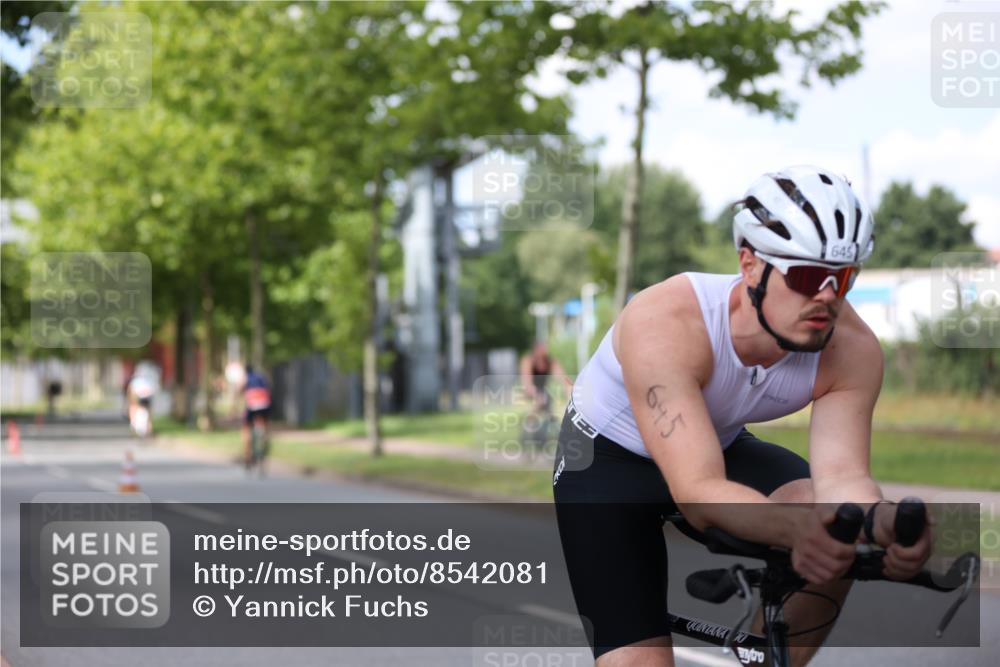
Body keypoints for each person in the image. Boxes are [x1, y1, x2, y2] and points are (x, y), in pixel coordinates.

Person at [551, 166, 933, 666]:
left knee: (833, 526)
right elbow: (698, 493)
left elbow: (843, 478)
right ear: (750, 265)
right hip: (606, 463)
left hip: (714, 446)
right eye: (805, 276)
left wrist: (881, 526)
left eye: (842, 278)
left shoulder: (852, 348)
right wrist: (796, 530)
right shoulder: (666, 321)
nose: (826, 296)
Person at [242, 365, 272, 469]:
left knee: (246, 428)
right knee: (265, 425)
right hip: (265, 402)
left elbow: (241, 390)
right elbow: (268, 389)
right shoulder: (261, 377)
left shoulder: (247, 378)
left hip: (253, 403)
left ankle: (247, 457)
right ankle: (265, 441)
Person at [126, 372, 156, 437]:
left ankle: (133, 425)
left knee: (133, 407)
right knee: (148, 410)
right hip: (148, 396)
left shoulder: (135, 381)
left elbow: (130, 391)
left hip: (139, 395)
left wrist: (130, 400)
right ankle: (149, 428)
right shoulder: (148, 380)